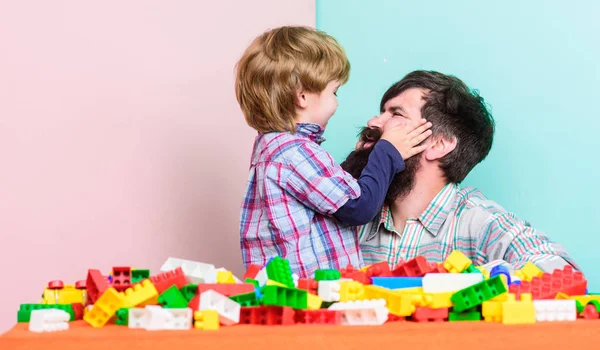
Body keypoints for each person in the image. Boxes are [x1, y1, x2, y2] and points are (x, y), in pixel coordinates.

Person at [234, 26, 433, 278]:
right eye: (334, 91)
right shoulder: (295, 153)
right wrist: (386, 151)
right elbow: (358, 207)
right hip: (314, 296)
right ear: (302, 96)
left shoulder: (271, 150)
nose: (337, 101)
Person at [341, 70, 577, 272]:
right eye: (381, 111)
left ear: (438, 144)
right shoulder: (350, 217)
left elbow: (560, 269)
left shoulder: (477, 222)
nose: (373, 121)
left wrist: (461, 283)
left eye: (396, 114)